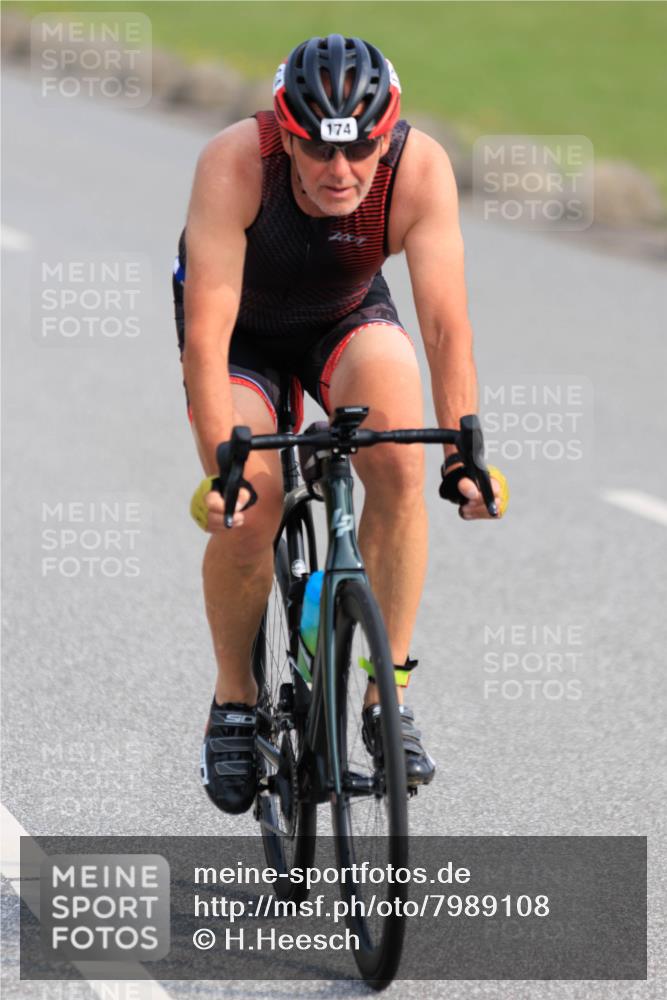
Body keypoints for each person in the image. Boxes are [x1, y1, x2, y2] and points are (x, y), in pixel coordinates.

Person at [173, 34, 508, 815]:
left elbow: (444, 327)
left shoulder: (418, 169)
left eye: (359, 148)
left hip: (344, 316)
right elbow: (206, 337)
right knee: (252, 502)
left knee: (398, 462)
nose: (340, 170)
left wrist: (464, 448)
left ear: (385, 134)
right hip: (242, 337)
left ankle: (387, 698)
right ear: (285, 133)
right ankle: (234, 700)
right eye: (318, 149)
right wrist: (222, 468)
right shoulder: (234, 163)